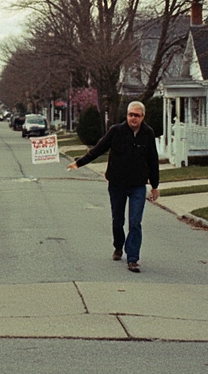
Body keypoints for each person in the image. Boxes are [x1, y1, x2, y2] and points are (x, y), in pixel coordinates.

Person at [67, 100, 159, 273]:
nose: (133, 118)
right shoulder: (116, 131)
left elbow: (153, 160)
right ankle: (118, 246)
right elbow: (98, 149)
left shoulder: (148, 133)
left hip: (138, 185)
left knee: (135, 222)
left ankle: (133, 259)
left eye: (137, 116)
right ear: (127, 115)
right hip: (117, 184)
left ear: (142, 117)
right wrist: (79, 163)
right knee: (118, 220)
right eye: (131, 115)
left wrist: (154, 185)